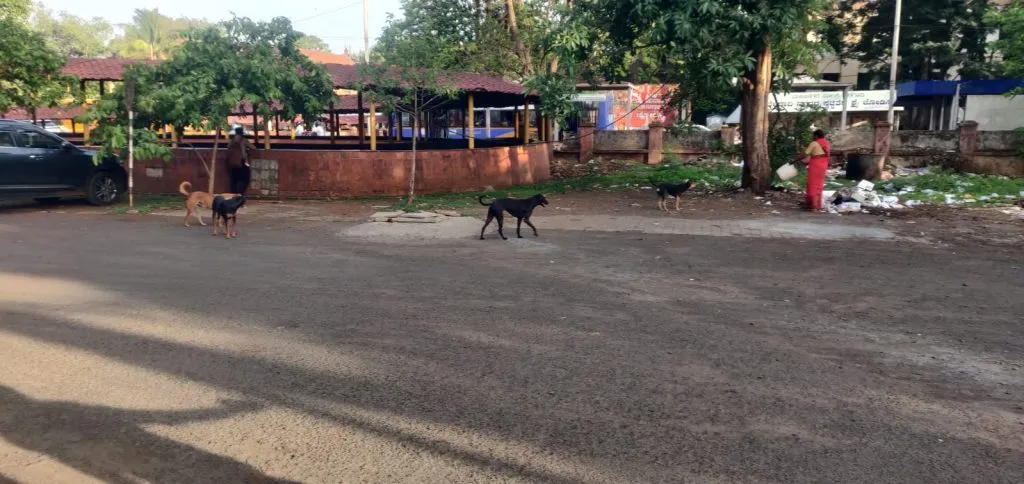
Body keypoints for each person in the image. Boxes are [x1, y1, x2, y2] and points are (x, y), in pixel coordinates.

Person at [799, 129, 831, 211]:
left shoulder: (814, 143)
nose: (812, 137)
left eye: (813, 135)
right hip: (823, 165)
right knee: (819, 185)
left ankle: (811, 205)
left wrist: (795, 160)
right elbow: (819, 155)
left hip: (815, 165)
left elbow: (805, 155)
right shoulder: (826, 143)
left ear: (816, 136)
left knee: (812, 184)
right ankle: (817, 205)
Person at [225, 127, 254, 195]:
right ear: (242, 133)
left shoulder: (232, 140)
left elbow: (228, 147)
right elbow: (253, 147)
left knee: (234, 179)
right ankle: (240, 193)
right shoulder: (243, 140)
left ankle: (233, 194)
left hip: (232, 163)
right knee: (245, 178)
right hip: (242, 162)